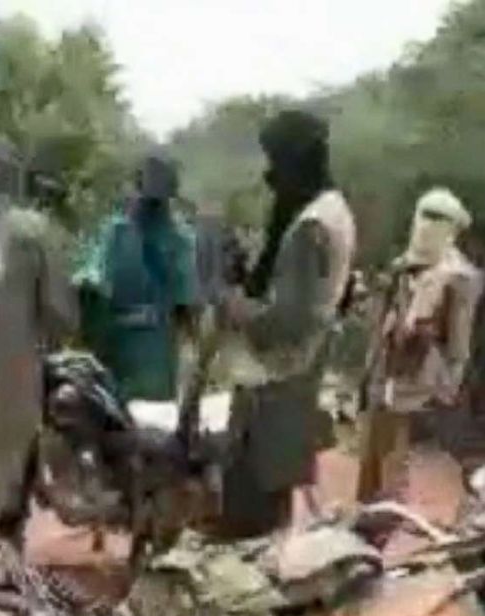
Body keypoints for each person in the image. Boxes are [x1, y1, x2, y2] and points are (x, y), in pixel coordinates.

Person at [218, 109, 356, 538]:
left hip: (275, 384)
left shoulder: (310, 227)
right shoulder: (335, 210)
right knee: (270, 518)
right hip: (298, 379)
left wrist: (235, 307)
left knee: (251, 519)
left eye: (275, 159)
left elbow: (285, 322)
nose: (270, 172)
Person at [357, 188, 481, 504]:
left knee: (404, 473)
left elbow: (459, 343)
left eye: (438, 220)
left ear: (452, 229)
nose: (426, 226)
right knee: (373, 469)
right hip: (386, 378)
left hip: (425, 388)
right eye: (423, 216)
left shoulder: (459, 277)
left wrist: (444, 389)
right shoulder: (402, 268)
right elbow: (380, 324)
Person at [74, 150, 198, 401]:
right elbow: (92, 278)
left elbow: (186, 304)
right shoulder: (117, 233)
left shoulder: (178, 240)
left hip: (147, 354)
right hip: (125, 351)